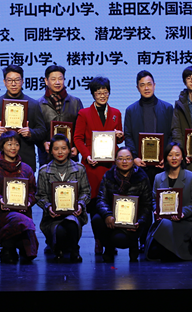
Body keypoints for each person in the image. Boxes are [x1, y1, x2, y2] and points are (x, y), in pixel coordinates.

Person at [73, 76, 124, 255]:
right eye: (98, 92)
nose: (102, 95)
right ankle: (98, 240)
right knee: (94, 204)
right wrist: (87, 156)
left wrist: (120, 136)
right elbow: (77, 138)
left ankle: (110, 239)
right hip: (92, 166)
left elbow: (120, 138)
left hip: (111, 167)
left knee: (111, 203)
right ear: (93, 94)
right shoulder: (84, 113)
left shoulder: (116, 112)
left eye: (105, 92)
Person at [0, 131, 38, 263]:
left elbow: (33, 191)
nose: (13, 148)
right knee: (20, 220)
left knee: (28, 254)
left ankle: (13, 246)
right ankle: (7, 247)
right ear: (2, 146)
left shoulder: (26, 169)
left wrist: (29, 201)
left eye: (16, 144)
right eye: (9, 144)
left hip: (22, 210)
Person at [36, 134, 90, 262]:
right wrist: (48, 207)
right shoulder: (44, 171)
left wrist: (80, 204)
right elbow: (40, 196)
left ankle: (74, 250)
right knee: (59, 230)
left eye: (64, 148)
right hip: (52, 216)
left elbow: (86, 192)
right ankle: (58, 250)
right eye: (56, 149)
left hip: (74, 214)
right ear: (50, 151)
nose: (60, 152)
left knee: (71, 223)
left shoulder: (79, 169)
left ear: (69, 150)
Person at [145, 142, 192, 261]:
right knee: (165, 225)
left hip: (185, 221)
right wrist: (157, 210)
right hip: (164, 221)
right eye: (170, 155)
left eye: (177, 154)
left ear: (182, 157)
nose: (174, 158)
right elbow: (154, 200)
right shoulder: (158, 178)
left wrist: (182, 212)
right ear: (166, 157)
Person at [92, 148, 152, 263]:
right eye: (120, 159)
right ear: (115, 161)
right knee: (97, 220)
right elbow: (101, 199)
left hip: (133, 223)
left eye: (128, 158)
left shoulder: (142, 177)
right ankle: (108, 248)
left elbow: (147, 204)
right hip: (113, 221)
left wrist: (139, 221)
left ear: (133, 160)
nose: (124, 162)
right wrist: (108, 215)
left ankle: (133, 244)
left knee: (120, 240)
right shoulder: (108, 175)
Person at [0, 65, 46, 171]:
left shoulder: (33, 105)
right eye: (10, 80)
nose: (13, 84)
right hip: (2, 161)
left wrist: (30, 133)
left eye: (17, 80)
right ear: (4, 82)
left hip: (26, 160)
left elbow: (42, 131)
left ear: (22, 81)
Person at [124, 70, 173, 184]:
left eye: (149, 84)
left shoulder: (167, 108)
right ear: (137, 88)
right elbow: (128, 135)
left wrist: (167, 156)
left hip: (162, 165)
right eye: (142, 85)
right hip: (140, 165)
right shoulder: (131, 110)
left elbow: (172, 134)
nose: (146, 88)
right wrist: (134, 158)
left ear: (154, 85)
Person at [38, 65, 83, 165]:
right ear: (46, 81)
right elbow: (36, 130)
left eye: (60, 79)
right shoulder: (39, 104)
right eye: (53, 79)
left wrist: (77, 148)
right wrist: (43, 143)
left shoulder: (76, 102)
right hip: (47, 159)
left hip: (71, 157)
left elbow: (82, 129)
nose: (57, 82)